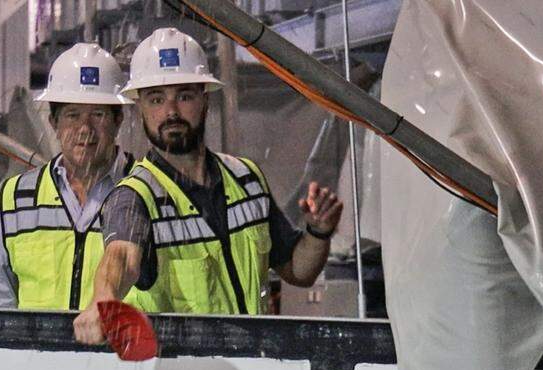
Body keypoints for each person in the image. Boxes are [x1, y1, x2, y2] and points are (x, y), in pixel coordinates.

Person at [73, 28, 342, 344]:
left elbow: (298, 269)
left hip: (255, 369)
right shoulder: (135, 197)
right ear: (140, 107)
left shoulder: (247, 178)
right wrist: (103, 302)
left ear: (204, 99)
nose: (171, 112)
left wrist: (318, 232)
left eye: (184, 95)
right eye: (156, 99)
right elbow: (121, 257)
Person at [0, 43, 135, 309]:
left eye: (98, 115)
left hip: (117, 350)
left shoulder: (144, 191)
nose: (84, 129)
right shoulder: (17, 199)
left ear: (118, 120)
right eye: (72, 115)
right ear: (53, 122)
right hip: (35, 352)